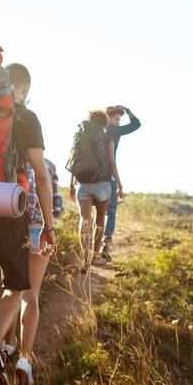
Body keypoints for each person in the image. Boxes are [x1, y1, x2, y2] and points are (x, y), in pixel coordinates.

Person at [0, 63, 55, 385]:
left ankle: (2, 344)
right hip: (35, 223)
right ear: (25, 89)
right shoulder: (46, 163)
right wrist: (49, 225)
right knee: (30, 293)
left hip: (3, 214)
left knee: (10, 288)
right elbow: (50, 196)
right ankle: (24, 358)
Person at [68, 110, 123, 271]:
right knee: (100, 219)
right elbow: (112, 163)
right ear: (104, 124)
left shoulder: (80, 136)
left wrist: (71, 184)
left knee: (84, 220)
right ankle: (93, 256)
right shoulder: (107, 138)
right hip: (102, 185)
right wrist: (119, 185)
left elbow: (73, 160)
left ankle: (84, 258)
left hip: (82, 183)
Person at [99, 105, 141, 262]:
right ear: (108, 117)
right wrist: (129, 110)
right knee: (111, 211)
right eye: (116, 119)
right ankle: (105, 245)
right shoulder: (113, 131)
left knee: (95, 214)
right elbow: (136, 124)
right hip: (108, 178)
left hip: (92, 178)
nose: (117, 122)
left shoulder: (95, 131)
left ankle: (91, 245)